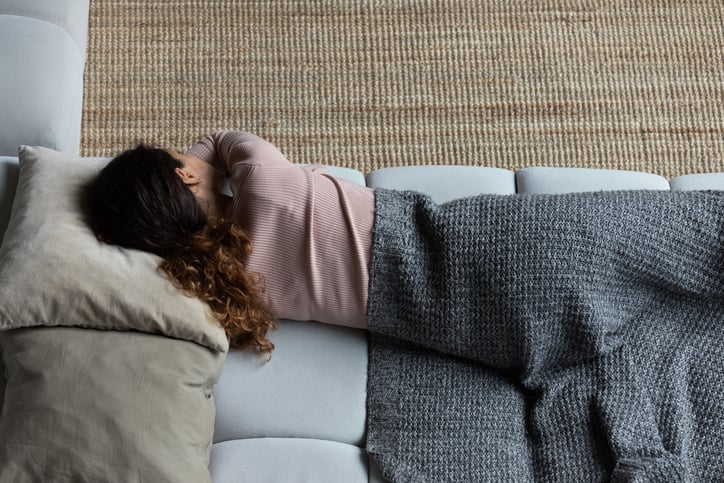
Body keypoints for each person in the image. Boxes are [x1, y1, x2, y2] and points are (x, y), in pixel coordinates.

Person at [84, 130, 375, 353]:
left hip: (392, 316)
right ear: (185, 175)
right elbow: (220, 137)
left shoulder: (226, 280)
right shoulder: (260, 177)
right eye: (182, 156)